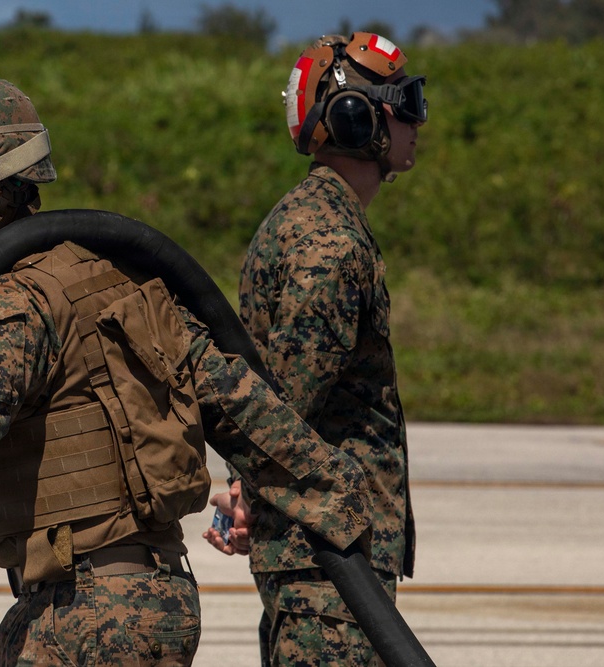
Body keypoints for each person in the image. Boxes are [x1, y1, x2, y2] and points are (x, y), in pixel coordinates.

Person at [0, 76, 375, 667]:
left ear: (10, 178)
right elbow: (243, 405)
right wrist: (338, 499)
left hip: (84, 615)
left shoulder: (18, 298)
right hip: (142, 604)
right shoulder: (113, 279)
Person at [203, 32, 428, 666]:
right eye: (403, 103)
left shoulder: (315, 221)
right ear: (358, 119)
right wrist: (249, 492)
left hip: (322, 560)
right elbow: (285, 407)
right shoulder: (326, 243)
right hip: (327, 570)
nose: (416, 120)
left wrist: (247, 492)